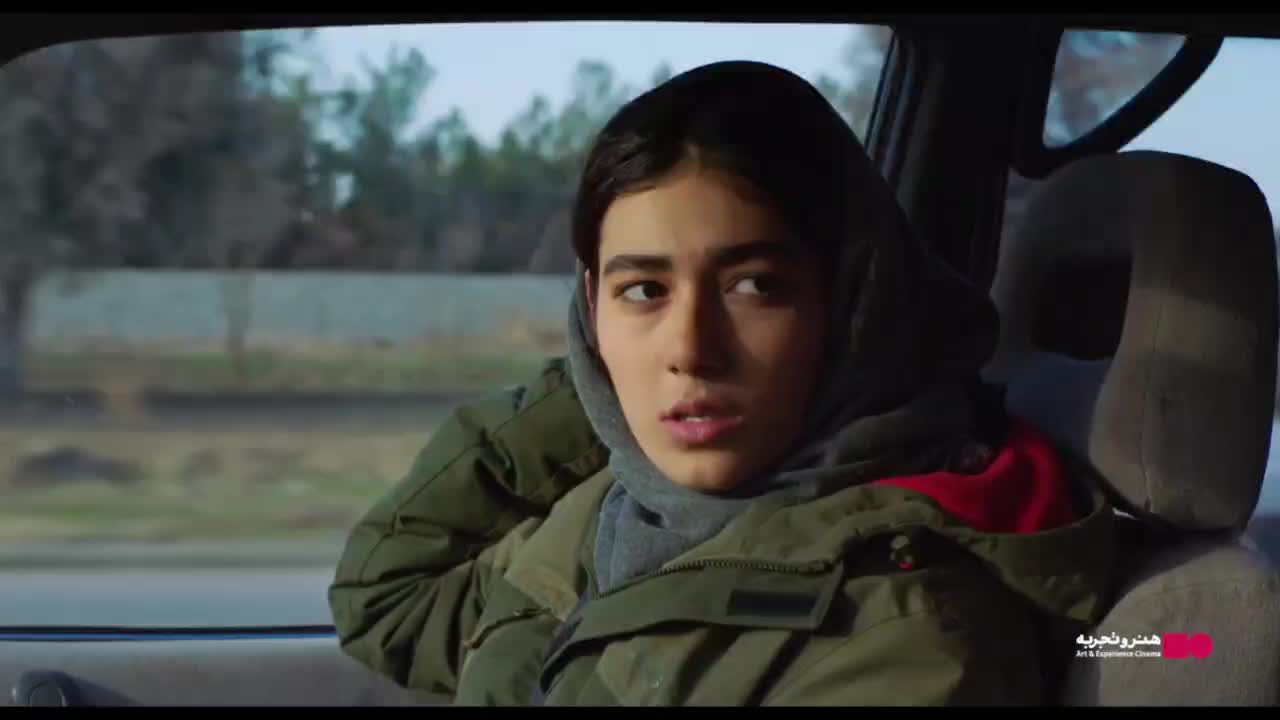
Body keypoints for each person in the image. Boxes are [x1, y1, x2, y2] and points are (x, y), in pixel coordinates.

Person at [328, 61, 1117, 706]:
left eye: (754, 287)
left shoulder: (904, 633)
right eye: (644, 291)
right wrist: (600, 384)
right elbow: (388, 601)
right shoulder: (614, 509)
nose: (690, 350)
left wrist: (630, 361)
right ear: (591, 312)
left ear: (854, 305)